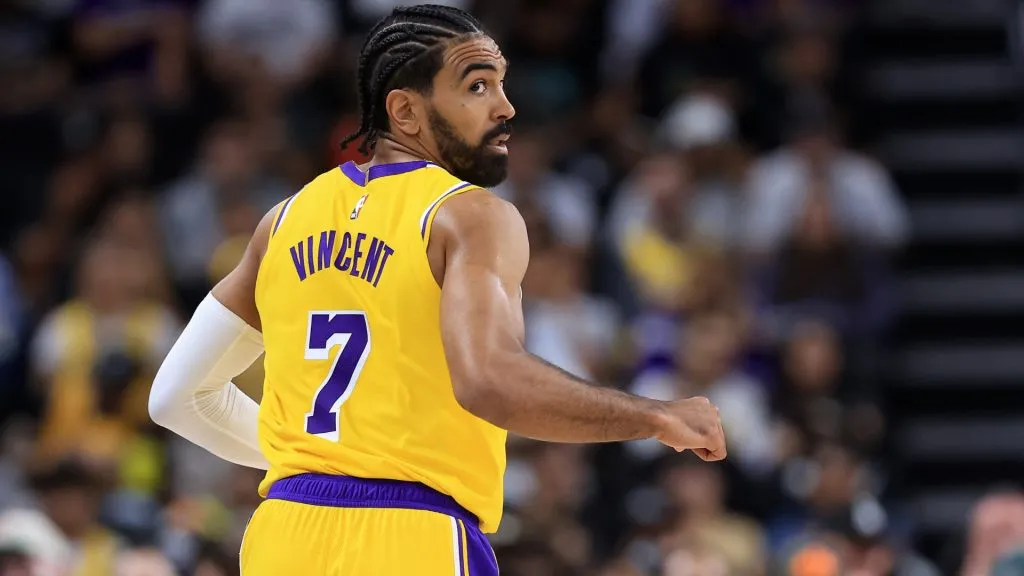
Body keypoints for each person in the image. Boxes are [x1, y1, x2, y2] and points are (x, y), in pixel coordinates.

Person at [148, 4, 727, 575]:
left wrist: (309, 460)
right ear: (405, 110)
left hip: (281, 537)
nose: (506, 107)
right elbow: (489, 381)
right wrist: (653, 415)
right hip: (411, 534)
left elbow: (176, 396)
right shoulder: (467, 216)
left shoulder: (282, 221)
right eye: (477, 87)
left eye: (501, 86)